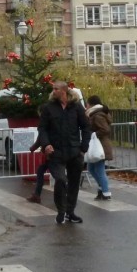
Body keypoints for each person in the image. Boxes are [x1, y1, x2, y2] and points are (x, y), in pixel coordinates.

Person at [38, 81, 91, 224]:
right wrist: (46, 144)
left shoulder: (76, 107)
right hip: (56, 152)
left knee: (74, 183)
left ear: (63, 91)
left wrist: (83, 148)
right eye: (53, 89)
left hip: (74, 151)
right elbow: (42, 129)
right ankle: (61, 210)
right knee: (60, 180)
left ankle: (70, 212)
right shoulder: (49, 108)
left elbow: (86, 127)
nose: (53, 91)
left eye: (56, 89)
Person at [85, 94, 113, 200]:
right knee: (92, 168)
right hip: (100, 145)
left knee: (99, 170)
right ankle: (102, 188)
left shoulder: (97, 115)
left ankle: (106, 192)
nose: (86, 106)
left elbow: (105, 129)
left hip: (100, 146)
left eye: (87, 104)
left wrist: (94, 134)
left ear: (91, 104)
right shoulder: (97, 114)